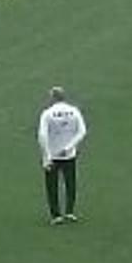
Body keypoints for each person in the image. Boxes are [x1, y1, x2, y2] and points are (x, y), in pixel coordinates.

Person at [37, 86, 87, 224]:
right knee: (70, 183)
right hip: (69, 155)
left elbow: (42, 135)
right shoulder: (74, 111)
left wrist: (46, 156)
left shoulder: (47, 113)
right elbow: (82, 131)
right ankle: (70, 211)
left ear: (52, 98)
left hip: (53, 155)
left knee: (52, 185)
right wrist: (70, 146)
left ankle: (56, 215)